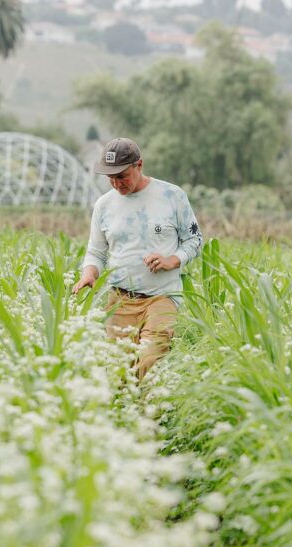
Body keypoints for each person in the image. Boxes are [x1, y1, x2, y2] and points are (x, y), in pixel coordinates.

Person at [72, 137, 203, 380]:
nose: (116, 183)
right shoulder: (104, 205)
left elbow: (194, 240)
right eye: (110, 177)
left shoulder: (172, 196)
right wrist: (89, 274)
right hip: (120, 299)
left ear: (139, 165)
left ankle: (152, 416)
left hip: (161, 297)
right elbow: (97, 251)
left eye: (122, 175)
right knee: (117, 372)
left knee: (150, 361)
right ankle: (122, 416)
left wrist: (172, 260)